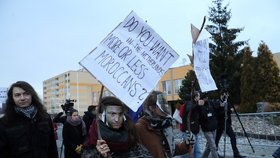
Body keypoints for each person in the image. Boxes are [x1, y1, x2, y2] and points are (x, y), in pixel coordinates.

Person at [0, 81, 58, 158]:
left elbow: (52, 147)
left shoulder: (45, 117)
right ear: (12, 98)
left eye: (26, 94)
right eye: (17, 95)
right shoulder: (4, 122)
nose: (22, 98)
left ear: (32, 95)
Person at [82, 96, 151, 158]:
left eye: (120, 114)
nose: (117, 119)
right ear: (100, 116)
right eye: (112, 114)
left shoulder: (130, 135)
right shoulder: (92, 143)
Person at [135, 90, 195, 158]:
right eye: (161, 104)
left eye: (164, 103)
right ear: (152, 108)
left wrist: (186, 144)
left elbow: (172, 150)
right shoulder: (140, 127)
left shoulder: (166, 124)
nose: (165, 107)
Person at [214, 90, 246, 158]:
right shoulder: (217, 102)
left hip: (226, 122)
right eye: (227, 94)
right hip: (220, 123)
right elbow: (219, 113)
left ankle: (236, 153)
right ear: (223, 94)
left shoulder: (227, 102)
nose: (228, 96)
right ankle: (215, 153)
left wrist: (230, 110)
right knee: (217, 139)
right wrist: (229, 110)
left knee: (233, 136)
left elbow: (230, 110)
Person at [196, 92, 219, 158]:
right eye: (205, 98)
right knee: (213, 146)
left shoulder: (210, 103)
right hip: (206, 129)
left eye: (207, 97)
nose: (207, 98)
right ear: (202, 99)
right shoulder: (200, 106)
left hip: (213, 127)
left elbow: (216, 109)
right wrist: (200, 106)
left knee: (210, 146)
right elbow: (202, 116)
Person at [180, 93, 202, 158]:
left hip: (195, 131)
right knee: (188, 152)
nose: (199, 98)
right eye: (199, 96)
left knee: (197, 151)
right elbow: (188, 109)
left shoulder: (195, 104)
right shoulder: (188, 104)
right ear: (195, 97)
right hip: (189, 132)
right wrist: (198, 105)